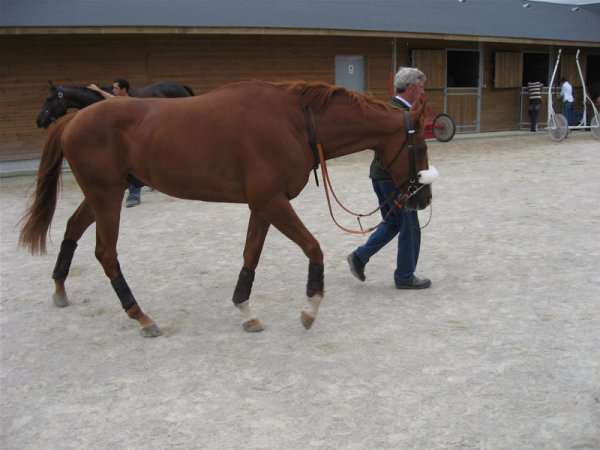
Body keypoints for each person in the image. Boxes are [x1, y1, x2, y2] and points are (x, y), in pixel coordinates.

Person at [346, 67, 431, 290]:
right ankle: (404, 276)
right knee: (410, 225)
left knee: (393, 223)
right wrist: (403, 186)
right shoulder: (399, 114)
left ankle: (359, 257)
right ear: (411, 88)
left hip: (382, 176)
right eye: (421, 87)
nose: (423, 92)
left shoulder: (393, 109)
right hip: (393, 178)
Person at [87, 79, 142, 208]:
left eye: (116, 88)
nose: (113, 90)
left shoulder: (130, 102)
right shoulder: (119, 101)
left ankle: (134, 196)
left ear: (123, 90)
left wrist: (98, 90)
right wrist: (97, 90)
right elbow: (110, 97)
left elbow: (111, 98)